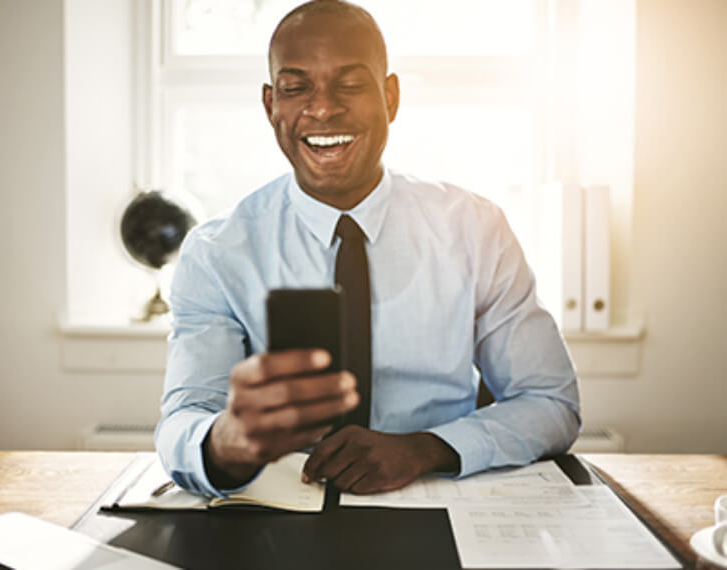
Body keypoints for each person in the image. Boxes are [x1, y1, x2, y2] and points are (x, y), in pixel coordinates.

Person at [156, 0, 580, 497]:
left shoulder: (475, 229)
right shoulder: (215, 253)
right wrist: (228, 439)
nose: (322, 108)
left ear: (390, 96)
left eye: (350, 85)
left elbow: (551, 402)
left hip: (437, 498)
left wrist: (425, 448)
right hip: (278, 511)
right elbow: (181, 423)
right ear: (271, 104)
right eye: (296, 88)